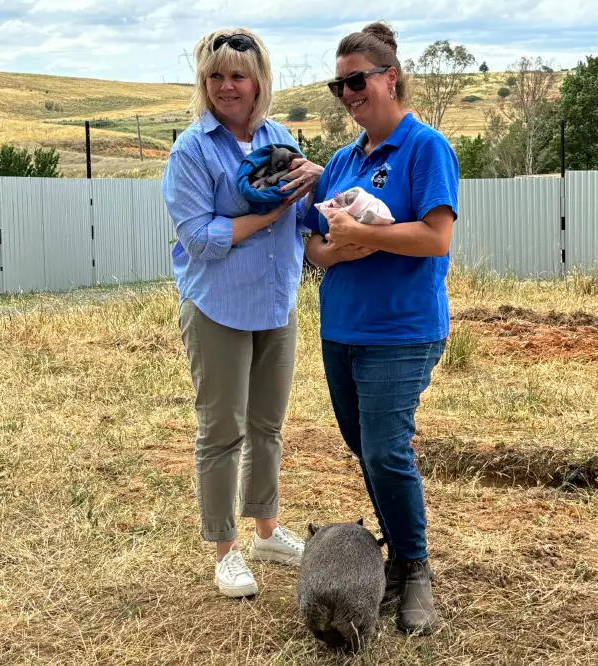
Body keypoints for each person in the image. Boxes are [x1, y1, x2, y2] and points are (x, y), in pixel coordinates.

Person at [303, 21, 460, 636]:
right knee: (363, 447)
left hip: (401, 328)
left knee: (385, 449)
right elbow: (316, 249)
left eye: (357, 81)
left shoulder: (425, 148)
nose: (347, 95)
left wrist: (362, 234)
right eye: (338, 85)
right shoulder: (341, 162)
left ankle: (414, 568)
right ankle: (396, 553)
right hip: (341, 327)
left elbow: (435, 236)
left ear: (390, 77)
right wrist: (340, 249)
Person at [161, 27, 324, 598]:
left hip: (277, 301)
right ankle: (225, 548)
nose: (227, 86)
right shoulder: (192, 150)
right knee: (222, 429)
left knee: (267, 426)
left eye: (238, 75)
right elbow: (200, 237)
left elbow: (305, 219)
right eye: (216, 76)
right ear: (203, 83)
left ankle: (267, 530)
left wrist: (317, 183)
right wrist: (270, 212)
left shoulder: (278, 136)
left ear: (259, 82)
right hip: (218, 306)